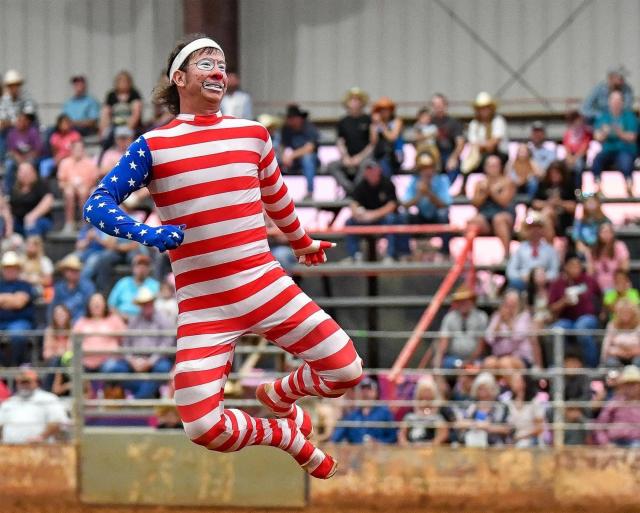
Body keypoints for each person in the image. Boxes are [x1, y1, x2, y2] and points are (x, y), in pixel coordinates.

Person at [84, 34, 363, 478]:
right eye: (206, 64)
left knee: (346, 369)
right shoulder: (152, 145)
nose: (218, 72)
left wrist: (301, 241)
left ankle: (279, 395)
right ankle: (285, 437)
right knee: (199, 424)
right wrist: (148, 233)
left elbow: (276, 196)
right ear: (178, 78)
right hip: (203, 305)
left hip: (264, 283)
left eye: (222, 64)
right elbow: (97, 204)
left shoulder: (252, 134)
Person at [115, 288, 175, 398]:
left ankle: (138, 398)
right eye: (143, 303)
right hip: (135, 359)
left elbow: (167, 344)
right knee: (116, 369)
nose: (146, 305)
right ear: (140, 305)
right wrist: (132, 360)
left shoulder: (164, 319)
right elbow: (126, 343)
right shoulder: (134, 320)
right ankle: (145, 395)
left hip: (156, 360)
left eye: (148, 302)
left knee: (162, 369)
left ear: (153, 302)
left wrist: (150, 361)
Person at [549, 254, 602, 367]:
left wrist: (601, 312)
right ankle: (558, 366)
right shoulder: (558, 284)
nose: (575, 268)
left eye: (577, 265)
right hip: (566, 319)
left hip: (587, 317)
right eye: (572, 265)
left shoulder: (589, 281)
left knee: (581, 327)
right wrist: (564, 302)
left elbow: (600, 297)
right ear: (566, 267)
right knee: (556, 330)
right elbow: (551, 308)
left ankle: (591, 367)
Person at [344, 159, 400, 263]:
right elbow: (353, 203)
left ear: (379, 170)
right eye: (368, 170)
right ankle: (354, 255)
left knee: (392, 219)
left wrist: (374, 215)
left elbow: (392, 205)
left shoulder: (387, 183)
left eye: (373, 169)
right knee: (350, 222)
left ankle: (390, 255)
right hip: (366, 219)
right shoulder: (361, 185)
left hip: (382, 218)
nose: (371, 172)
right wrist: (357, 213)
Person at [400, 152, 452, 257]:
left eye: (429, 167)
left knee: (443, 214)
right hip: (420, 217)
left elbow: (446, 204)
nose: (427, 171)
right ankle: (405, 252)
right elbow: (405, 204)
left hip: (437, 217)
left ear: (434, 168)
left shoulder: (442, 180)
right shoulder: (414, 181)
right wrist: (419, 195)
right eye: (423, 168)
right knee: (403, 216)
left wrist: (428, 193)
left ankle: (445, 252)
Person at [0, 368, 68, 444]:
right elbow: (1, 426)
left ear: (36, 382)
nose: (24, 385)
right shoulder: (10, 402)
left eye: (27, 382)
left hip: (40, 449)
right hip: (10, 449)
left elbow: (58, 422)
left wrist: (41, 437)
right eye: (21, 382)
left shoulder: (49, 399)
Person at [591, 90, 638, 195]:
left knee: (625, 161)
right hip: (608, 149)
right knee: (597, 160)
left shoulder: (629, 117)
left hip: (625, 149)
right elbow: (597, 136)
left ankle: (629, 184)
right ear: (609, 102)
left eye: (618, 101)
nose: (615, 103)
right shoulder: (603, 117)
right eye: (613, 100)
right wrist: (604, 133)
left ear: (622, 102)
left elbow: (633, 137)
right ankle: (597, 186)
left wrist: (619, 133)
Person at [461, 92, 509, 194]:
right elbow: (473, 143)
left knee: (493, 160)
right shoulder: (474, 124)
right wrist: (485, 145)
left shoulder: (498, 121)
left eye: (486, 108)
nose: (484, 111)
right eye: (481, 108)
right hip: (481, 154)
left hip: (500, 153)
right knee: (465, 166)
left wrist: (483, 145)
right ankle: (463, 189)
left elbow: (495, 142)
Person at [469, 155, 516, 258]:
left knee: (499, 220)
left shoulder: (507, 182)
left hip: (504, 213)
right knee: (472, 221)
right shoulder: (479, 184)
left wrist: (491, 191)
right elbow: (475, 203)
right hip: (486, 214)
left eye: (495, 166)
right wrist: (483, 193)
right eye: (490, 166)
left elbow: (504, 201)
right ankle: (468, 256)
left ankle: (507, 255)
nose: (492, 169)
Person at [327, 87, 372, 194]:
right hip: (347, 158)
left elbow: (372, 143)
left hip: (364, 158)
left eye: (358, 100)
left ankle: (357, 191)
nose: (355, 102)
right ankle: (350, 189)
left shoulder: (369, 120)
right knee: (332, 166)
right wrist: (346, 157)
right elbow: (340, 142)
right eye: (352, 100)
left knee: (367, 165)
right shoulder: (343, 122)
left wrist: (360, 157)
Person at [434, 284, 488, 369]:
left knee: (477, 368)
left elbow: (481, 345)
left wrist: (469, 362)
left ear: (472, 301)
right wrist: (437, 361)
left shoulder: (481, 317)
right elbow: (443, 343)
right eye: (459, 301)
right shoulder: (449, 317)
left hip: (476, 359)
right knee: (444, 364)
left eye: (465, 300)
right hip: (454, 359)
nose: (462, 303)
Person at [484, 290, 542, 369]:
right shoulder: (497, 317)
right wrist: (500, 320)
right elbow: (489, 338)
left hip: (520, 357)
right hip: (499, 356)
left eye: (513, 304)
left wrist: (509, 322)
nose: (510, 307)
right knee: (489, 362)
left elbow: (517, 337)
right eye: (507, 304)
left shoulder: (524, 316)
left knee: (505, 363)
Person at [72, 292, 127, 373]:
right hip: (85, 361)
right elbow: (73, 340)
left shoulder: (114, 319)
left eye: (99, 302)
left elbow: (126, 338)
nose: (96, 305)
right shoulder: (82, 321)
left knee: (112, 367)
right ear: (89, 305)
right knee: (72, 366)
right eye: (93, 302)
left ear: (105, 305)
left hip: (109, 361)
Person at [330, 377, 396, 444]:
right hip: (357, 452)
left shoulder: (384, 412)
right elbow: (336, 438)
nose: (365, 392)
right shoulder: (352, 415)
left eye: (369, 389)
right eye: (362, 389)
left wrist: (378, 443)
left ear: (376, 392)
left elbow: (393, 437)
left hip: (380, 452)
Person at [506, 211, 560, 291]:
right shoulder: (520, 249)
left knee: (556, 285)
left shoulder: (550, 250)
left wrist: (545, 277)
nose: (535, 231)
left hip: (544, 282)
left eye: (538, 228)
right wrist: (524, 276)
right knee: (514, 284)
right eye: (532, 228)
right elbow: (510, 271)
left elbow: (555, 271)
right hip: (524, 281)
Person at [0, 251, 35, 366]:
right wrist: (12, 298)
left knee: (17, 335)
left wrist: (3, 299)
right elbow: (16, 300)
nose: (10, 270)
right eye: (7, 267)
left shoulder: (25, 285)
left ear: (18, 269)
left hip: (19, 321)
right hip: (2, 322)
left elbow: (19, 303)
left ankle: (14, 366)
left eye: (13, 267)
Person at [457, 372, 510, 447]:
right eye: (480, 388)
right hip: (471, 445)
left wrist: (488, 427)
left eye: (485, 388)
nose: (482, 391)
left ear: (492, 389)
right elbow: (459, 423)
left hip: (494, 447)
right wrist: (475, 424)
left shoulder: (501, 408)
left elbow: (507, 429)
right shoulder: (471, 406)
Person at [398, 375, 454, 445]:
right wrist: (406, 445)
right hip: (412, 447)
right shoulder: (411, 409)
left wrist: (432, 445)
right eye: (422, 398)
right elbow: (402, 434)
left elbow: (444, 433)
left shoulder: (441, 409)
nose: (425, 401)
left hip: (433, 448)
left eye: (428, 398)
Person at [57, 140, 100, 232]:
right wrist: (71, 185)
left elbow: (94, 180)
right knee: (69, 192)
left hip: (85, 187)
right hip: (69, 187)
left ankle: (84, 221)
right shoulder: (65, 162)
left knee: (83, 191)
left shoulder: (90, 163)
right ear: (71, 150)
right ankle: (69, 223)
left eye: (80, 149)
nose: (78, 151)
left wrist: (85, 186)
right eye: (76, 149)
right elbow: (61, 182)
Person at [280, 104, 319, 199]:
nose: (291, 120)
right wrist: (284, 156)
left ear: (299, 118)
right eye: (289, 118)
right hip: (294, 161)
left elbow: (310, 147)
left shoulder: (309, 128)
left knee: (307, 159)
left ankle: (310, 191)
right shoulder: (286, 129)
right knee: (274, 161)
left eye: (293, 118)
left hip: (311, 160)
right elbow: (283, 146)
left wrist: (291, 156)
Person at [595, 365, 640, 447]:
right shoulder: (614, 402)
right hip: (615, 443)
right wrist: (605, 443)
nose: (630, 387)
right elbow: (600, 425)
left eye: (634, 384)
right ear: (622, 386)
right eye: (627, 384)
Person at [531, 160, 576, 242]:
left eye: (557, 173)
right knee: (548, 213)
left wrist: (559, 203)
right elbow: (535, 203)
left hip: (562, 219)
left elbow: (573, 207)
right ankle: (549, 247)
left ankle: (544, 245)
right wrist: (548, 203)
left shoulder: (568, 186)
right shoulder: (543, 185)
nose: (554, 176)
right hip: (546, 216)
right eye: (552, 173)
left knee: (547, 213)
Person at [99, 70, 143, 152]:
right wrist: (104, 128)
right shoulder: (111, 95)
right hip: (114, 124)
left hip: (130, 125)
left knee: (123, 132)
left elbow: (136, 112)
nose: (123, 83)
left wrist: (128, 127)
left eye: (125, 81)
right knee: (105, 113)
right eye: (120, 80)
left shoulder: (134, 94)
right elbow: (106, 111)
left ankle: (128, 152)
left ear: (129, 82)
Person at [108, 253, 160, 320]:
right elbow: (111, 305)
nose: (142, 269)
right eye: (139, 265)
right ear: (133, 268)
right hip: (122, 321)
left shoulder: (155, 285)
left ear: (148, 269)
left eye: (145, 266)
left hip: (147, 321)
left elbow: (158, 307)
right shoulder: (123, 283)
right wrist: (121, 317)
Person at [9, 161, 54, 237]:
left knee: (31, 225)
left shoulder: (40, 184)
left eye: (27, 172)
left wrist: (33, 215)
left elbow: (48, 200)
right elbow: (8, 205)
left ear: (33, 172)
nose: (24, 175)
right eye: (21, 172)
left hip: (39, 219)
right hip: (18, 221)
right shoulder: (14, 188)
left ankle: (32, 247)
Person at [0, 70, 37, 161]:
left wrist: (11, 122)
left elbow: (27, 118)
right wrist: (13, 122)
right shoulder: (5, 99)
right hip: (11, 129)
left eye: (15, 85)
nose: (13, 88)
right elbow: (2, 120)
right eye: (10, 85)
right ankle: (2, 162)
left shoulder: (26, 96)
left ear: (19, 85)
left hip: (28, 129)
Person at [48, 253, 96, 323]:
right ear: (64, 272)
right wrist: (51, 325)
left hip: (83, 325)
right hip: (62, 325)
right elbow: (53, 308)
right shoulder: (59, 288)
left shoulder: (88, 287)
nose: (74, 273)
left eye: (77, 270)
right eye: (71, 270)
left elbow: (91, 310)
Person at [3, 111, 42, 195]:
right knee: (9, 165)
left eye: (23, 120)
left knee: (30, 166)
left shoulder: (33, 132)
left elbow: (37, 149)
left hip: (30, 157)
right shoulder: (12, 133)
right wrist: (19, 160)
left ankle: (33, 192)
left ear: (27, 122)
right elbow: (11, 150)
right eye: (19, 120)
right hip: (16, 158)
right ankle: (7, 193)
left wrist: (27, 159)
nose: (20, 122)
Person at [430, 93, 464, 185]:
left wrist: (453, 157)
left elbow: (460, 143)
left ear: (445, 105)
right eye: (435, 105)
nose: (438, 108)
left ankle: (444, 191)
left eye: (440, 105)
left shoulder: (454, 122)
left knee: (453, 167)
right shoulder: (429, 122)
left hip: (449, 153)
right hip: (433, 154)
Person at [504, 373, 544, 447]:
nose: (513, 383)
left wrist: (522, 436)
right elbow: (509, 426)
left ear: (524, 383)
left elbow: (539, 428)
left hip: (531, 441)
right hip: (515, 440)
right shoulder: (509, 402)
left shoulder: (534, 402)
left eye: (516, 381)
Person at [588, 222, 630, 293]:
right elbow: (590, 272)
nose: (606, 235)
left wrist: (618, 284)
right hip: (598, 287)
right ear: (598, 234)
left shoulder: (619, 246)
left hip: (617, 286)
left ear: (613, 234)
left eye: (608, 232)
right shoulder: (594, 249)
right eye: (603, 232)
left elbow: (625, 268)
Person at [38, 114, 82, 179]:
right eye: (63, 123)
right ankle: (45, 185)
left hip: (71, 158)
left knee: (66, 163)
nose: (66, 125)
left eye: (67, 123)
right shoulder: (55, 136)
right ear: (59, 125)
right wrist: (57, 158)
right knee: (44, 165)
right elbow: (54, 151)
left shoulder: (75, 135)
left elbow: (77, 150)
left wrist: (65, 157)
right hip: (58, 158)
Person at [370, 96, 404, 177]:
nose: (384, 112)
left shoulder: (396, 121)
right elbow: (373, 141)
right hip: (379, 154)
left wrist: (381, 125)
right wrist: (374, 126)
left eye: (386, 109)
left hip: (395, 154)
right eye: (381, 110)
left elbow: (392, 138)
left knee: (384, 163)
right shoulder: (375, 124)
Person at [601, 299, 640, 367]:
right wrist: (619, 352)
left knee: (638, 362)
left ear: (633, 312)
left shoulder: (638, 325)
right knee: (611, 362)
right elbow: (606, 346)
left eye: (627, 312)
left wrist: (631, 352)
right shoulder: (612, 325)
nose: (625, 314)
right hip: (617, 355)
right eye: (622, 312)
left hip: (636, 355)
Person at [42, 304, 72, 391]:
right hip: (54, 363)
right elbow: (46, 354)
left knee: (59, 360)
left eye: (62, 314)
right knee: (57, 360)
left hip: (68, 365)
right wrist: (60, 353)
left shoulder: (73, 331)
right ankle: (49, 389)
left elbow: (71, 351)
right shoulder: (49, 331)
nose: (60, 317)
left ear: (68, 315)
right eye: (57, 315)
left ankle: (46, 389)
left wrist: (59, 352)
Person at [562, 110, 591, 192]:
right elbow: (566, 146)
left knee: (578, 166)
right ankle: (566, 189)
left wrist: (574, 158)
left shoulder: (585, 133)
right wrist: (569, 158)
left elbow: (584, 148)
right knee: (562, 167)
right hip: (570, 156)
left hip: (580, 156)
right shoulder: (568, 133)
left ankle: (578, 190)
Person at [21, 235, 54, 300]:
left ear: (38, 247)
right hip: (21, 287)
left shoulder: (44, 261)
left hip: (37, 289)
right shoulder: (21, 260)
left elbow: (48, 281)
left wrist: (33, 280)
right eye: (28, 245)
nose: (29, 247)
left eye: (32, 245)